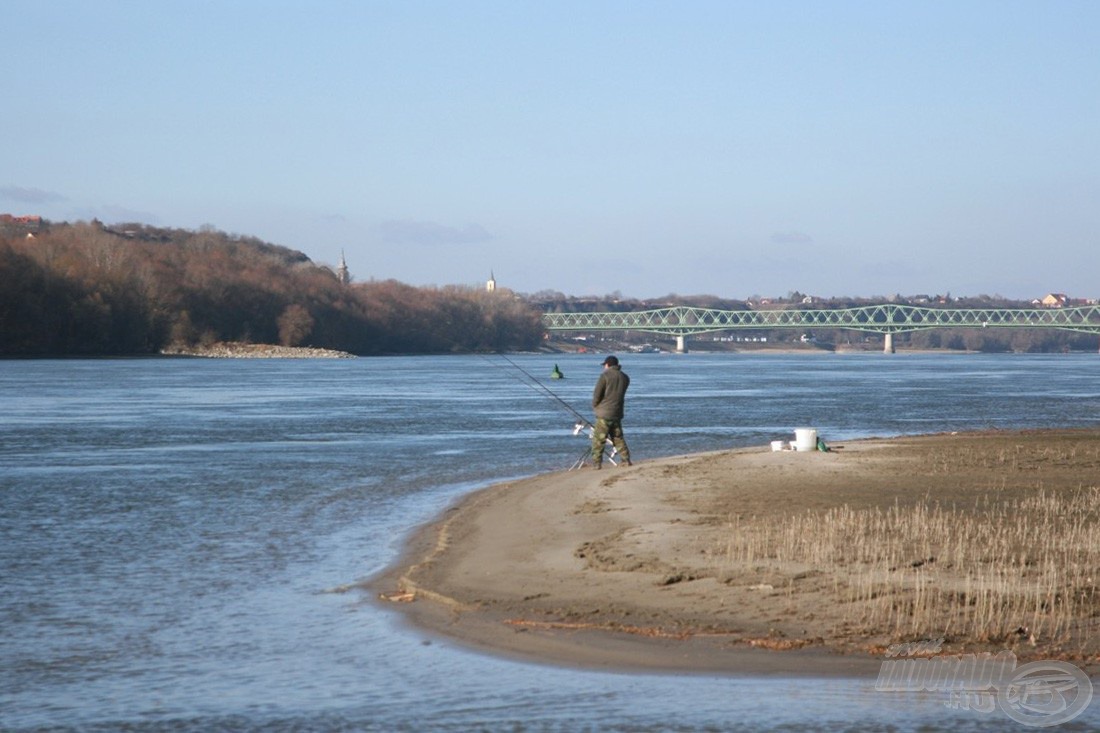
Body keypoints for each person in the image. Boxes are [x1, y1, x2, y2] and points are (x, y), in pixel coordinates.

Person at [590, 355, 632, 469]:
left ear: (608, 365)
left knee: (599, 439)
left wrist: (595, 406)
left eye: (604, 365)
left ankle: (596, 463)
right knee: (618, 437)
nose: (604, 367)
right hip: (617, 412)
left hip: (604, 413)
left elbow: (597, 394)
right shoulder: (625, 377)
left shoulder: (604, 376)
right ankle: (626, 459)